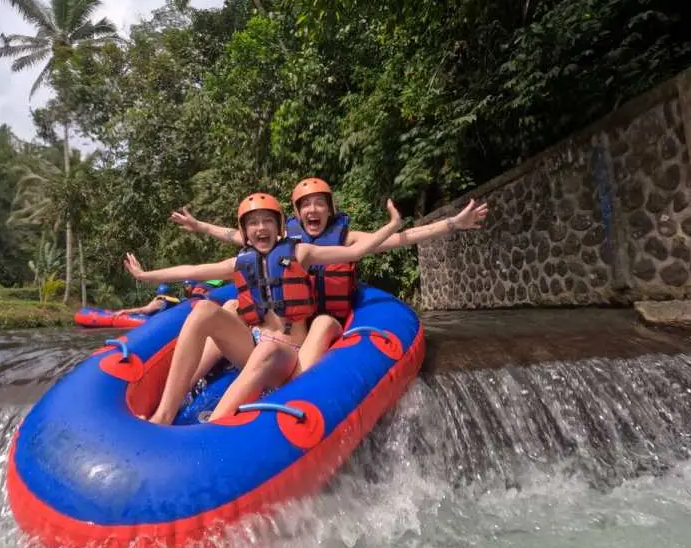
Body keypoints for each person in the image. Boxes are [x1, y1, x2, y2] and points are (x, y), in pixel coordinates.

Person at [123, 192, 403, 424]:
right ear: (245, 232)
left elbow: (354, 252)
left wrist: (392, 225)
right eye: (253, 223)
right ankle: (164, 413)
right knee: (204, 310)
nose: (260, 228)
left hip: (288, 355)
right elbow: (193, 269)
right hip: (253, 347)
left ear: (279, 226)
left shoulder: (300, 252)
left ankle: (213, 426)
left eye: (267, 221)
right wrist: (145, 276)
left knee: (269, 348)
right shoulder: (241, 262)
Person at [170, 177, 488, 373]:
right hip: (286, 321)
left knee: (320, 324)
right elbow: (232, 235)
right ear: (295, 213)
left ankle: (297, 386)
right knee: (227, 308)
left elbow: (397, 240)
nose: (313, 210)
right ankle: (194, 377)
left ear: (329, 209)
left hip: (322, 320)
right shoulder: (281, 241)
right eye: (306, 205)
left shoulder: (344, 238)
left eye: (319, 204)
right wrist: (199, 226)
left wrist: (451, 224)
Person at [113, 283, 181, 319]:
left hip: (150, 321)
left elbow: (143, 310)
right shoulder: (172, 302)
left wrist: (124, 311)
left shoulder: (159, 302)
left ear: (158, 293)